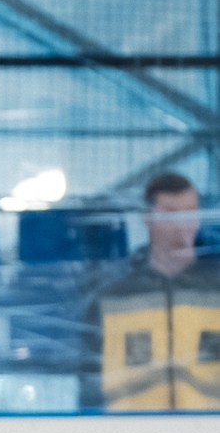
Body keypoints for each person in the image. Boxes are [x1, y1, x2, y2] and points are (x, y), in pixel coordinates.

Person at [86, 171, 220, 412]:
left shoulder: (216, 292)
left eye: (190, 213)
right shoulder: (114, 296)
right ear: (148, 218)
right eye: (170, 214)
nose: (183, 224)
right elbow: (90, 377)